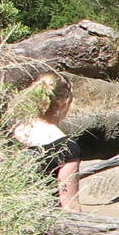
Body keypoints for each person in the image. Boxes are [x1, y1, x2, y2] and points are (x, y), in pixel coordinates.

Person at [12, 72, 81, 210]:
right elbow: (70, 206)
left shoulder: (14, 131)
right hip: (43, 221)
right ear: (65, 102)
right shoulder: (66, 147)